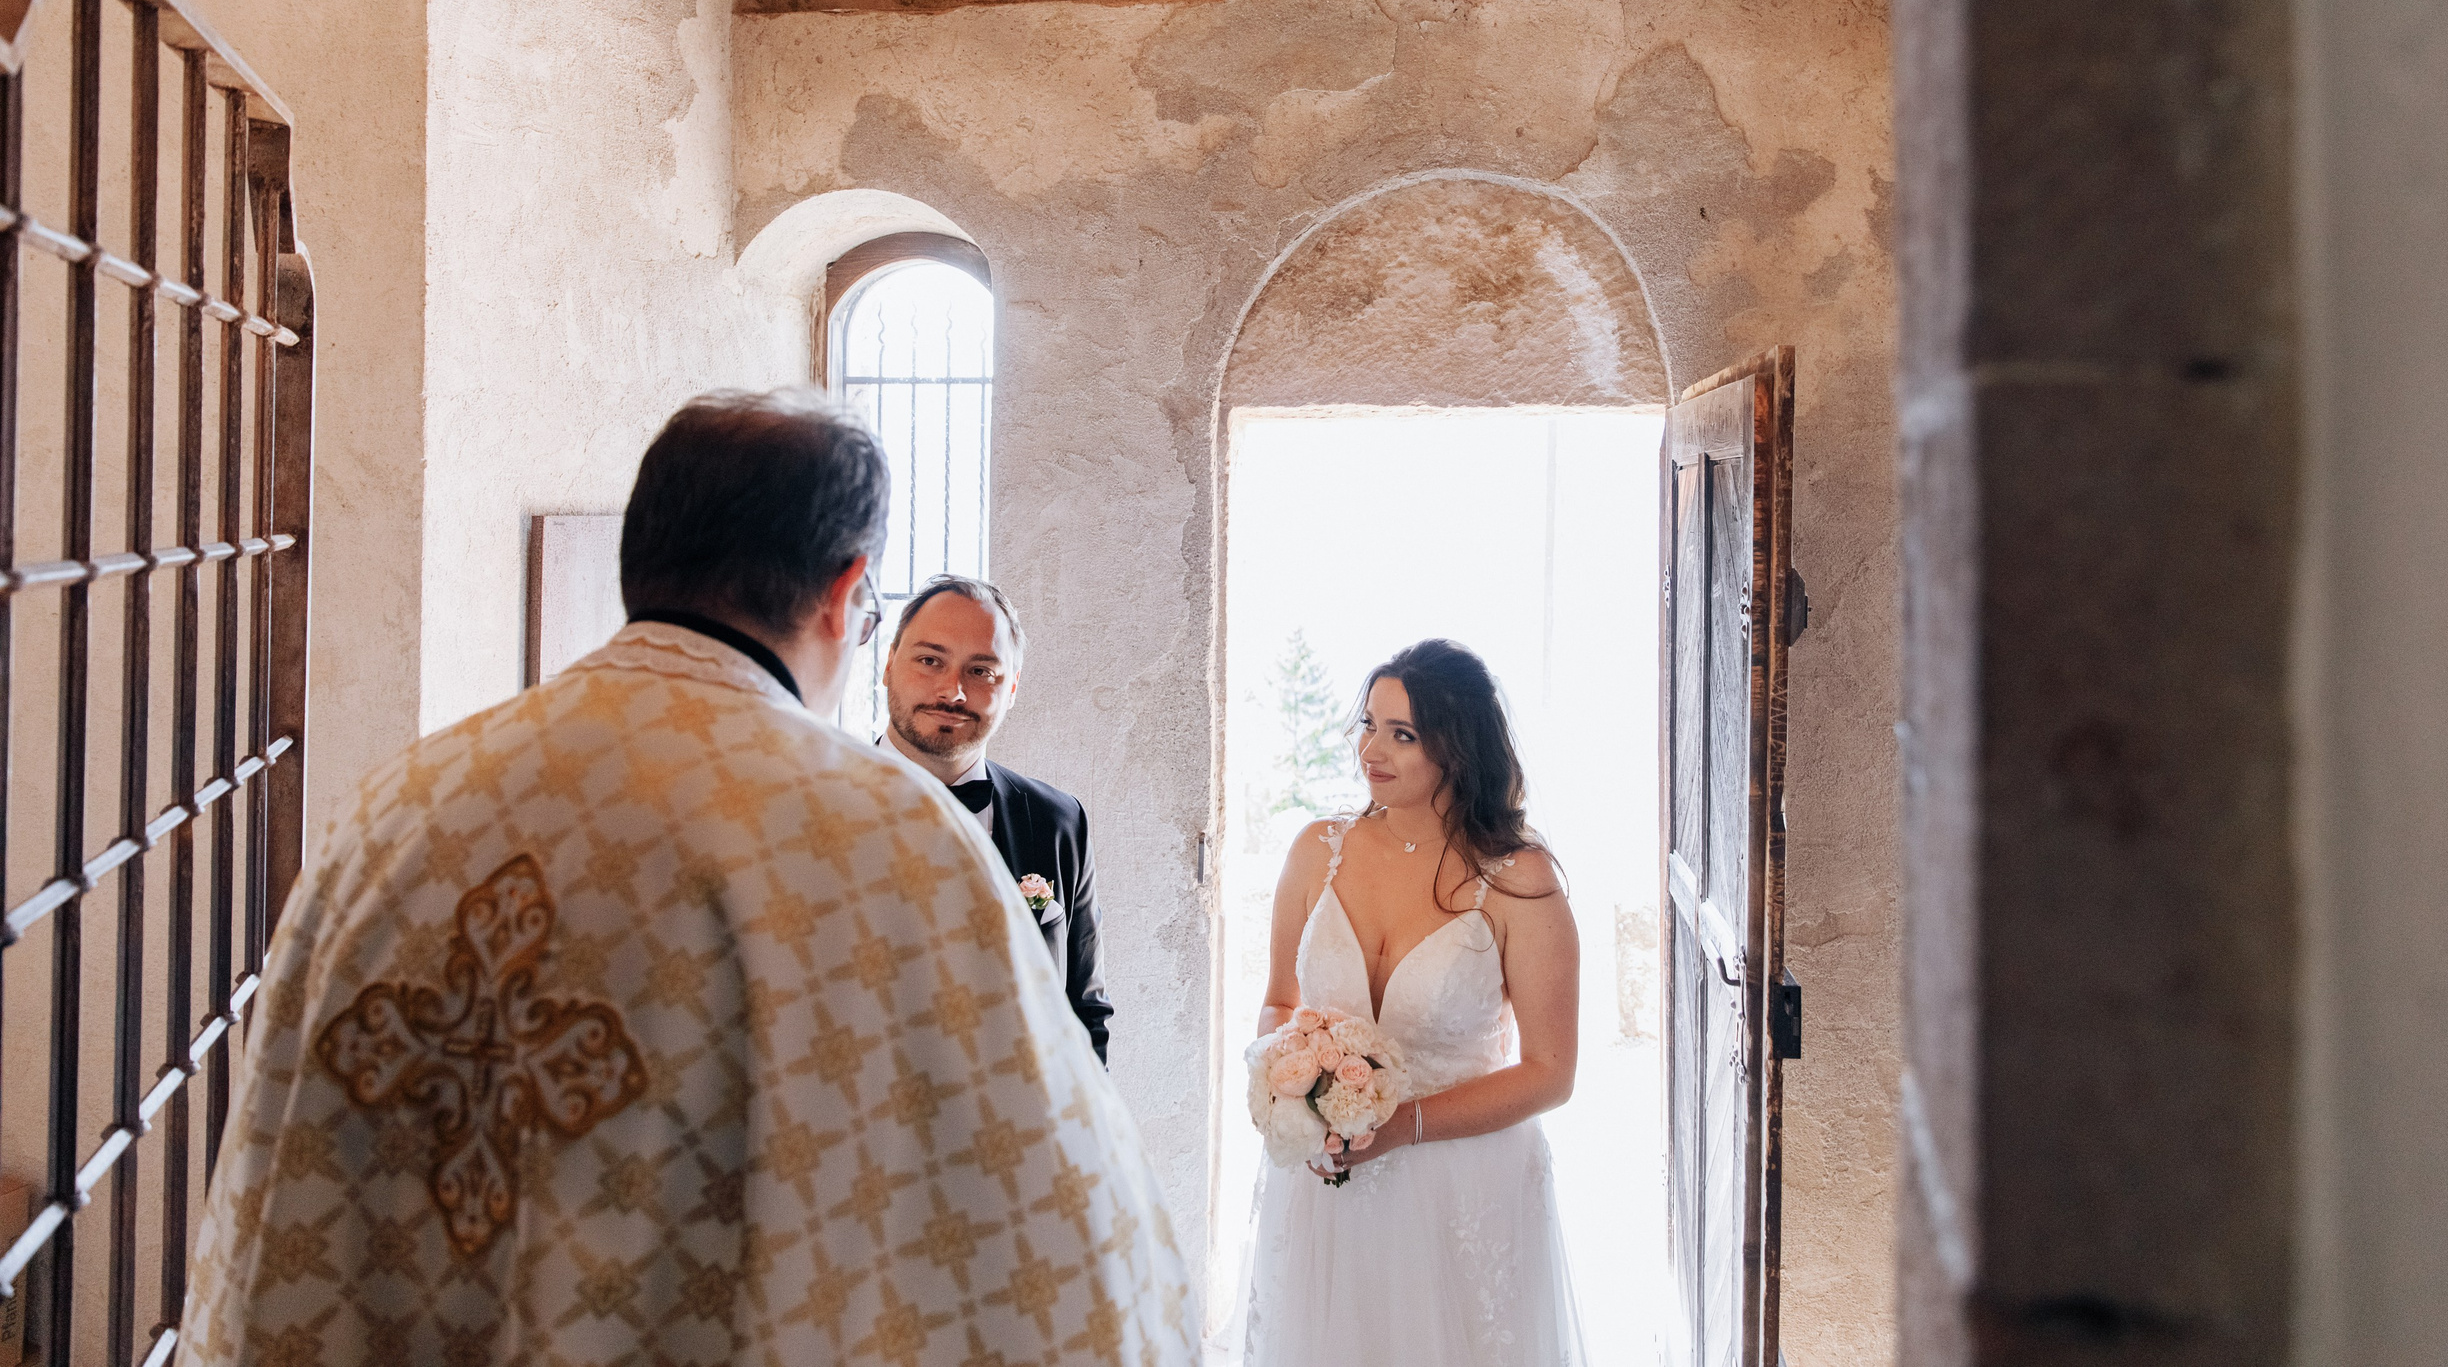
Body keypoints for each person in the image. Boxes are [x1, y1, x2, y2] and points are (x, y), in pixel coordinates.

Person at [178, 390, 1194, 1367]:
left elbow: (278, 1183)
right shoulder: (885, 836)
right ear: (848, 597)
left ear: (640, 560)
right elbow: (1056, 1251)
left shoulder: (402, 802)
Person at [1230, 639, 1587, 1367]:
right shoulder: (1315, 849)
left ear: (1457, 747)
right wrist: (1291, 1091)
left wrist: (1403, 1125)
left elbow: (1552, 1070)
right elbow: (1277, 1002)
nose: (1371, 749)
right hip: (1325, 1182)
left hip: (1463, 1191)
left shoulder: (1521, 879)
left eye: (1402, 734)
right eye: (1369, 724)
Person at [876, 576, 1114, 1062]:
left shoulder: (1058, 821)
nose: (953, 691)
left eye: (981, 671)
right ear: (888, 664)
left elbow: (1084, 1012)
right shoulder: (809, 809)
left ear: (1012, 689)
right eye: (929, 660)